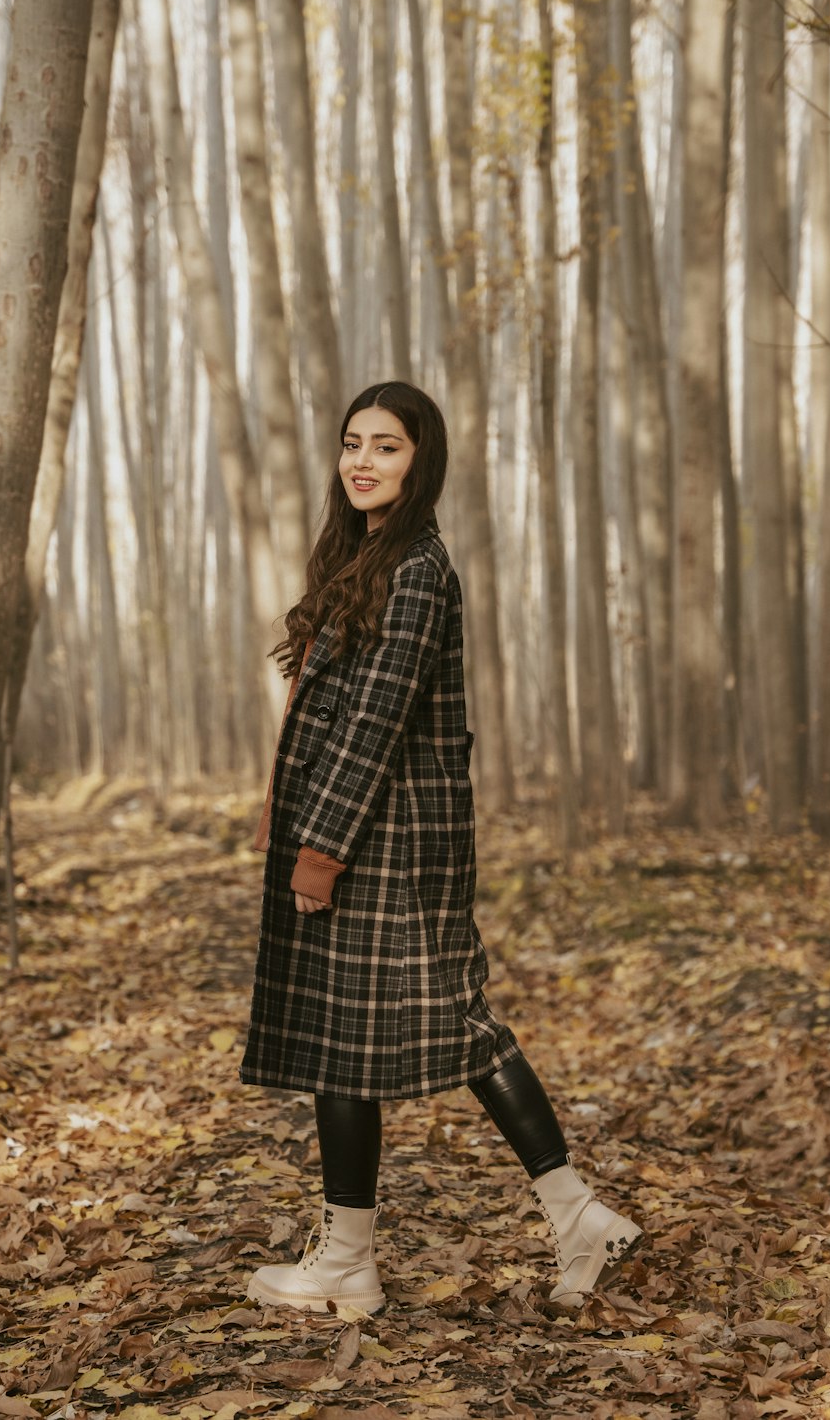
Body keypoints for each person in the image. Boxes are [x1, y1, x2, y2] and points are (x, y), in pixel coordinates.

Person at [240, 381, 642, 1314]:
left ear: (421, 462)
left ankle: (569, 1210)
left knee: (454, 1021)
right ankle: (351, 1258)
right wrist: (284, 817)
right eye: (352, 443)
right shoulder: (368, 556)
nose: (362, 461)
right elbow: (329, 710)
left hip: (392, 844)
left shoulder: (418, 567)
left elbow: (376, 723)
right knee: (347, 1044)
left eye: (386, 446)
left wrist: (320, 850)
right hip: (363, 833)